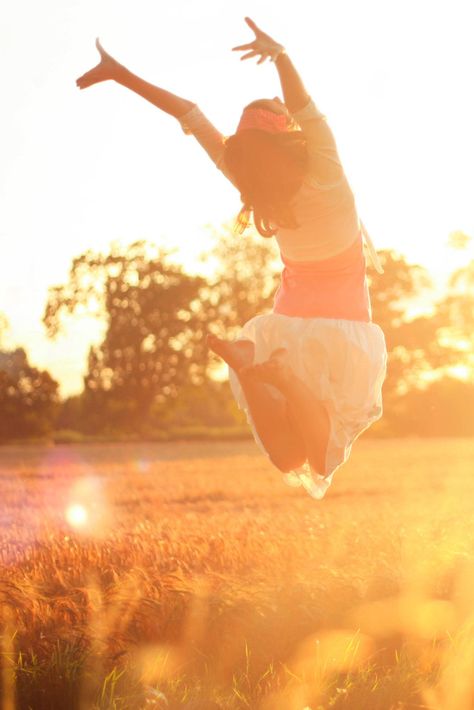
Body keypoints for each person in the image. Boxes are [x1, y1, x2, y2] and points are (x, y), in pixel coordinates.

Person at [76, 17, 387, 499]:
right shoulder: (325, 171)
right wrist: (281, 56)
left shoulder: (251, 185)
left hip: (288, 324)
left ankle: (249, 366)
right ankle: (274, 372)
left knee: (288, 457)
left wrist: (122, 75)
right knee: (322, 456)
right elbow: (308, 108)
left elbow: (191, 114)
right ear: (290, 135)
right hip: (341, 327)